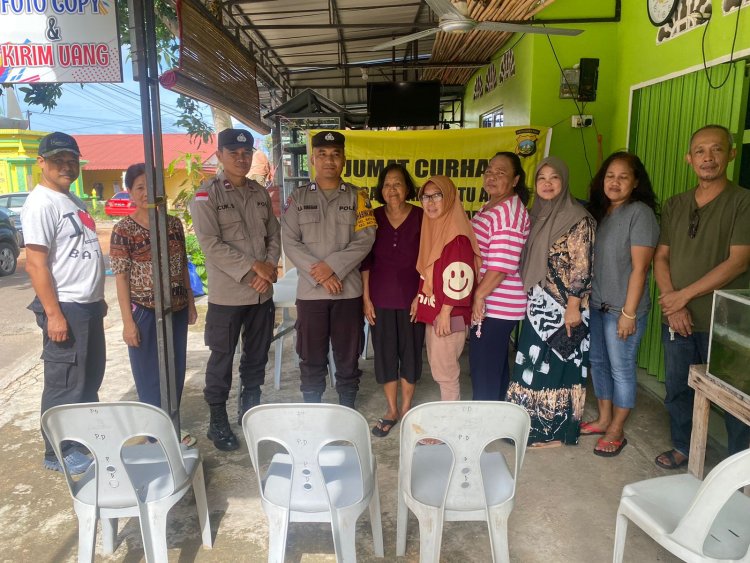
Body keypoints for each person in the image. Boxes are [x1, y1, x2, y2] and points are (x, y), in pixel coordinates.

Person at [654, 124, 750, 470]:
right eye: (700, 151)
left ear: (731, 154)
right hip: (677, 317)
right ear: (688, 159)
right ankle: (682, 446)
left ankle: (738, 467)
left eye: (717, 150)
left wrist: (683, 297)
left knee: (735, 398)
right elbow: (660, 256)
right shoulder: (675, 204)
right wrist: (671, 300)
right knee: (679, 388)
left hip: (726, 322)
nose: (708, 158)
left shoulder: (743, 201)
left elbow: (738, 260)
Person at [190, 128, 281, 451]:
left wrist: (267, 268)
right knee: (222, 359)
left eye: (246, 153)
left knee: (256, 357)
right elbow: (211, 244)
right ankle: (217, 420)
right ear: (220, 156)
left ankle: (250, 409)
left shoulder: (258, 193)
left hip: (261, 293)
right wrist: (252, 269)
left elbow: (274, 235)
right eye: (234, 154)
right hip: (228, 296)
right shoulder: (207, 195)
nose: (241, 159)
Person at [21, 132, 106, 474]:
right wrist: (54, 315)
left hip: (86, 306)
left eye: (72, 160)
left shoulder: (72, 200)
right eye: (58, 160)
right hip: (65, 307)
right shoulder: (41, 203)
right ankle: (57, 451)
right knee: (65, 382)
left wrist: (97, 300)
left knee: (88, 379)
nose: (67, 167)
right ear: (41, 162)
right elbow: (35, 263)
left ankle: (81, 439)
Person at [281, 130, 376, 408]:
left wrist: (332, 268)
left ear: (344, 160)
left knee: (348, 355)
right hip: (311, 294)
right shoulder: (298, 198)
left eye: (335, 155)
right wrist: (319, 273)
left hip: (348, 292)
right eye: (322, 154)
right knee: (311, 355)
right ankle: (313, 406)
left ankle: (347, 404)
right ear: (312, 159)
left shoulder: (358, 196)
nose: (329, 160)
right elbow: (290, 240)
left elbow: (366, 237)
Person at [506, 156, 595, 448]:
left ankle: (557, 434)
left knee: (559, 367)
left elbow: (582, 268)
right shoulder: (536, 215)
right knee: (533, 365)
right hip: (536, 305)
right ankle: (529, 425)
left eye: (554, 177)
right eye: (542, 178)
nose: (547, 183)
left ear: (564, 181)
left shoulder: (577, 218)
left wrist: (572, 307)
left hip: (564, 307)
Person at [110, 163, 198, 446]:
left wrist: (191, 302)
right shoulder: (123, 229)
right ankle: (153, 434)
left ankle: (172, 426)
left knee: (175, 369)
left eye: (154, 186)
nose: (148, 192)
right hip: (144, 312)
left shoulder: (173, 224)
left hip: (178, 308)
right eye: (140, 187)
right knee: (148, 375)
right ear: (130, 192)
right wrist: (127, 322)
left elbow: (182, 263)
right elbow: (121, 277)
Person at [581, 152, 659, 457]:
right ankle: (603, 418)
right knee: (598, 364)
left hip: (622, 311)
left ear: (635, 182)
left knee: (622, 370)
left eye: (623, 176)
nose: (614, 182)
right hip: (598, 305)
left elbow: (641, 269)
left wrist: (628, 313)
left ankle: (617, 429)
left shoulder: (640, 214)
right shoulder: (601, 213)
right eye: (610, 176)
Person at [361, 163, 425, 437]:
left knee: (410, 353)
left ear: (407, 187)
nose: (392, 189)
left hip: (413, 297)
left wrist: (422, 294)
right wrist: (366, 298)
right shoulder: (372, 217)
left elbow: (430, 259)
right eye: (387, 184)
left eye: (398, 183)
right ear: (381, 189)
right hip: (380, 297)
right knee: (386, 355)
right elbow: (365, 260)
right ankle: (391, 409)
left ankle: (408, 407)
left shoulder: (422, 216)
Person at [470, 152, 531, 401]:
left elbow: (501, 265)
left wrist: (479, 296)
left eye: (501, 172)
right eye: (489, 170)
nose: (492, 176)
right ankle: (499, 420)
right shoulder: (493, 205)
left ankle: (483, 424)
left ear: (515, 179)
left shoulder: (509, 213)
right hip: (491, 302)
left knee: (484, 368)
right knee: (493, 365)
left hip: (497, 304)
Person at [415, 175, 480, 401]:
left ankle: (449, 425)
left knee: (446, 372)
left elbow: (460, 277)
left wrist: (445, 312)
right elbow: (431, 271)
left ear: (450, 197)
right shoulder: (435, 228)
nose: (430, 202)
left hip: (449, 315)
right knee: (439, 367)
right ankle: (448, 420)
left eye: (437, 196)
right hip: (437, 311)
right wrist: (419, 296)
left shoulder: (457, 236)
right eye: (426, 197)